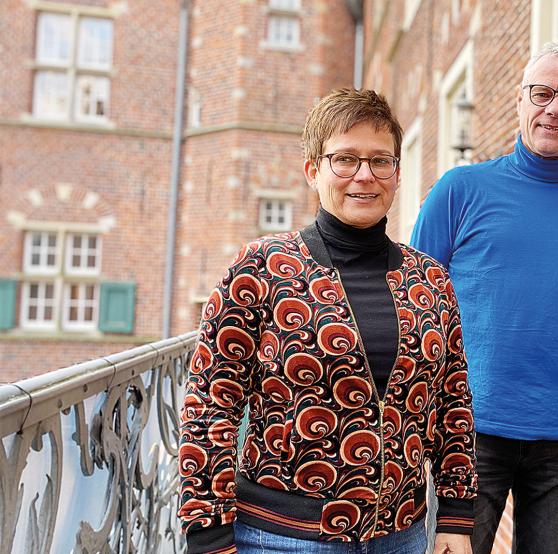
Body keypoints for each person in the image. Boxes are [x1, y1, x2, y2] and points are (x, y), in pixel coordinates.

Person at [178, 88, 477, 554]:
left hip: (402, 536)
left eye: (381, 161)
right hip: (280, 538)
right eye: (346, 160)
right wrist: (209, 534)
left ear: (396, 175)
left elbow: (453, 405)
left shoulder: (431, 280)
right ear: (313, 171)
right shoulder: (262, 267)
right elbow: (211, 405)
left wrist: (457, 518)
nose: (365, 176)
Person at [411, 43, 558, 554]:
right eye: (542, 94)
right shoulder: (459, 190)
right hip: (468, 429)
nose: (555, 108)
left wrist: (552, 351)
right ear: (520, 101)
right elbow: (417, 303)